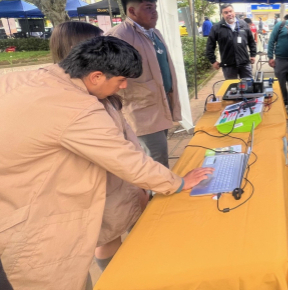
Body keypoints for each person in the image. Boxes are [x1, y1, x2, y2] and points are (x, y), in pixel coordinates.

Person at [0, 36, 212, 290]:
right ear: (96, 76)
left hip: (17, 198)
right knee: (62, 277)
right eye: (121, 80)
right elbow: (125, 160)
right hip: (34, 223)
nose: (123, 86)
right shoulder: (77, 107)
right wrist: (177, 182)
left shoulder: (24, 79)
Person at [50, 21, 152, 279]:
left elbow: (125, 141)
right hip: (101, 187)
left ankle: (141, 271)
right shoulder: (70, 103)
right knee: (108, 237)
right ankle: (119, 279)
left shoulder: (100, 92)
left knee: (135, 227)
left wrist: (141, 181)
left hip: (125, 179)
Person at [107, 0, 181, 168]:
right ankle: (159, 186)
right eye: (148, 8)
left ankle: (161, 184)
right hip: (141, 109)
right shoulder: (119, 36)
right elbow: (112, 76)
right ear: (132, 11)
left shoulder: (154, 33)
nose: (155, 13)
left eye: (155, 8)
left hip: (161, 101)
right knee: (156, 157)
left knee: (160, 152)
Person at [205, 4, 257, 80]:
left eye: (230, 11)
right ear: (222, 14)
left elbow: (251, 41)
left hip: (244, 63)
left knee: (248, 85)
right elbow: (210, 45)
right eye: (226, 12)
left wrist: (253, 54)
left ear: (234, 12)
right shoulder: (216, 28)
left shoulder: (243, 24)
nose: (229, 14)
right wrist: (213, 61)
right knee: (231, 86)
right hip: (228, 65)